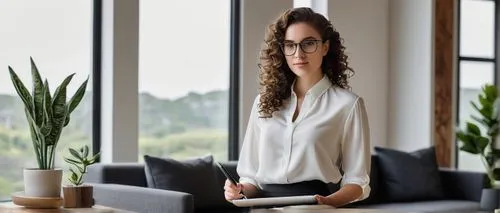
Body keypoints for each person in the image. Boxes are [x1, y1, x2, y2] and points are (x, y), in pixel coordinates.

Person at [224, 7, 371, 208]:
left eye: (308, 43)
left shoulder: (347, 105)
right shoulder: (263, 103)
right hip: (262, 209)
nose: (298, 53)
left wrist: (328, 202)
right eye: (290, 45)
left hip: (313, 208)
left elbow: (358, 182)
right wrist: (238, 190)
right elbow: (251, 178)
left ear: (325, 47)